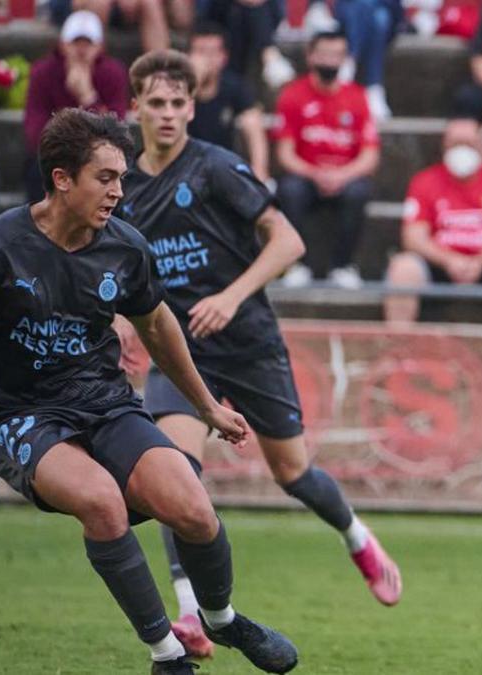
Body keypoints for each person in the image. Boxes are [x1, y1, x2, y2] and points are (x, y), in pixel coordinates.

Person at [0, 108, 299, 675]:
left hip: (105, 403)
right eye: (105, 177)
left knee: (193, 509)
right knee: (102, 503)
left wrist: (207, 404)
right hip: (20, 415)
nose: (118, 190)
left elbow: (159, 326)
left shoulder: (125, 247)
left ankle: (222, 617)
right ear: (62, 178)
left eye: (122, 178)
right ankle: (167, 654)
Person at [115, 50, 402, 657]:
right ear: (134, 106)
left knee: (292, 473)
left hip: (246, 338)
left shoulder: (215, 166)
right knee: (174, 470)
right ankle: (191, 613)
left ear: (193, 108)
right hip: (182, 347)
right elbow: (116, 265)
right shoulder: (123, 184)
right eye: (155, 103)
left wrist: (231, 294)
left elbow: (288, 239)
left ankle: (356, 536)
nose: (167, 114)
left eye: (177, 103)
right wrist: (119, 323)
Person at [384, 117, 482, 326]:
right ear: (444, 147)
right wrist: (449, 260)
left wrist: (481, 261)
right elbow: (413, 237)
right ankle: (398, 347)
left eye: (468, 144)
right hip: (439, 264)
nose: (462, 151)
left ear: (481, 146)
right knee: (403, 269)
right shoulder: (424, 181)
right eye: (456, 144)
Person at [274, 30, 379, 289]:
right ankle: (295, 264)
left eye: (337, 55)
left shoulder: (357, 97)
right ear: (310, 56)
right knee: (290, 190)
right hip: (307, 176)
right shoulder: (292, 95)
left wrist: (341, 175)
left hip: (345, 176)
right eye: (324, 54)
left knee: (359, 192)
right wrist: (315, 173)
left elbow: (370, 156)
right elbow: (285, 154)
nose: (330, 61)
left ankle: (343, 266)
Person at [24, 10, 129, 201]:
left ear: (100, 47)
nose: (81, 50)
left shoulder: (113, 73)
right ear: (63, 45)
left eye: (88, 44)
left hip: (99, 157)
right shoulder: (44, 71)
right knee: (36, 168)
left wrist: (88, 97)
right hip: (55, 156)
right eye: (75, 43)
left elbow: (117, 133)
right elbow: (34, 129)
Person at [187, 21, 270, 183]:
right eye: (200, 52)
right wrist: (194, 79)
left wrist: (259, 169)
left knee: (251, 120)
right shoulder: (177, 87)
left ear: (223, 57)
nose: (205, 59)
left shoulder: (234, 86)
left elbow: (253, 123)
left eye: (211, 53)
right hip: (183, 165)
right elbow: (176, 113)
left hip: (223, 165)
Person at [332, 0, 402, 120]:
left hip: (385, 19)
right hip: (349, 17)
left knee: (377, 16)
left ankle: (350, 60)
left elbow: (395, 8)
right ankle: (374, 86)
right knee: (375, 18)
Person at [49, 0, 192, 53]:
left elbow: (183, 20)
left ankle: (160, 73)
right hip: (76, 7)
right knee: (101, 3)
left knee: (150, 3)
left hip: (130, 11)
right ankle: (99, 69)